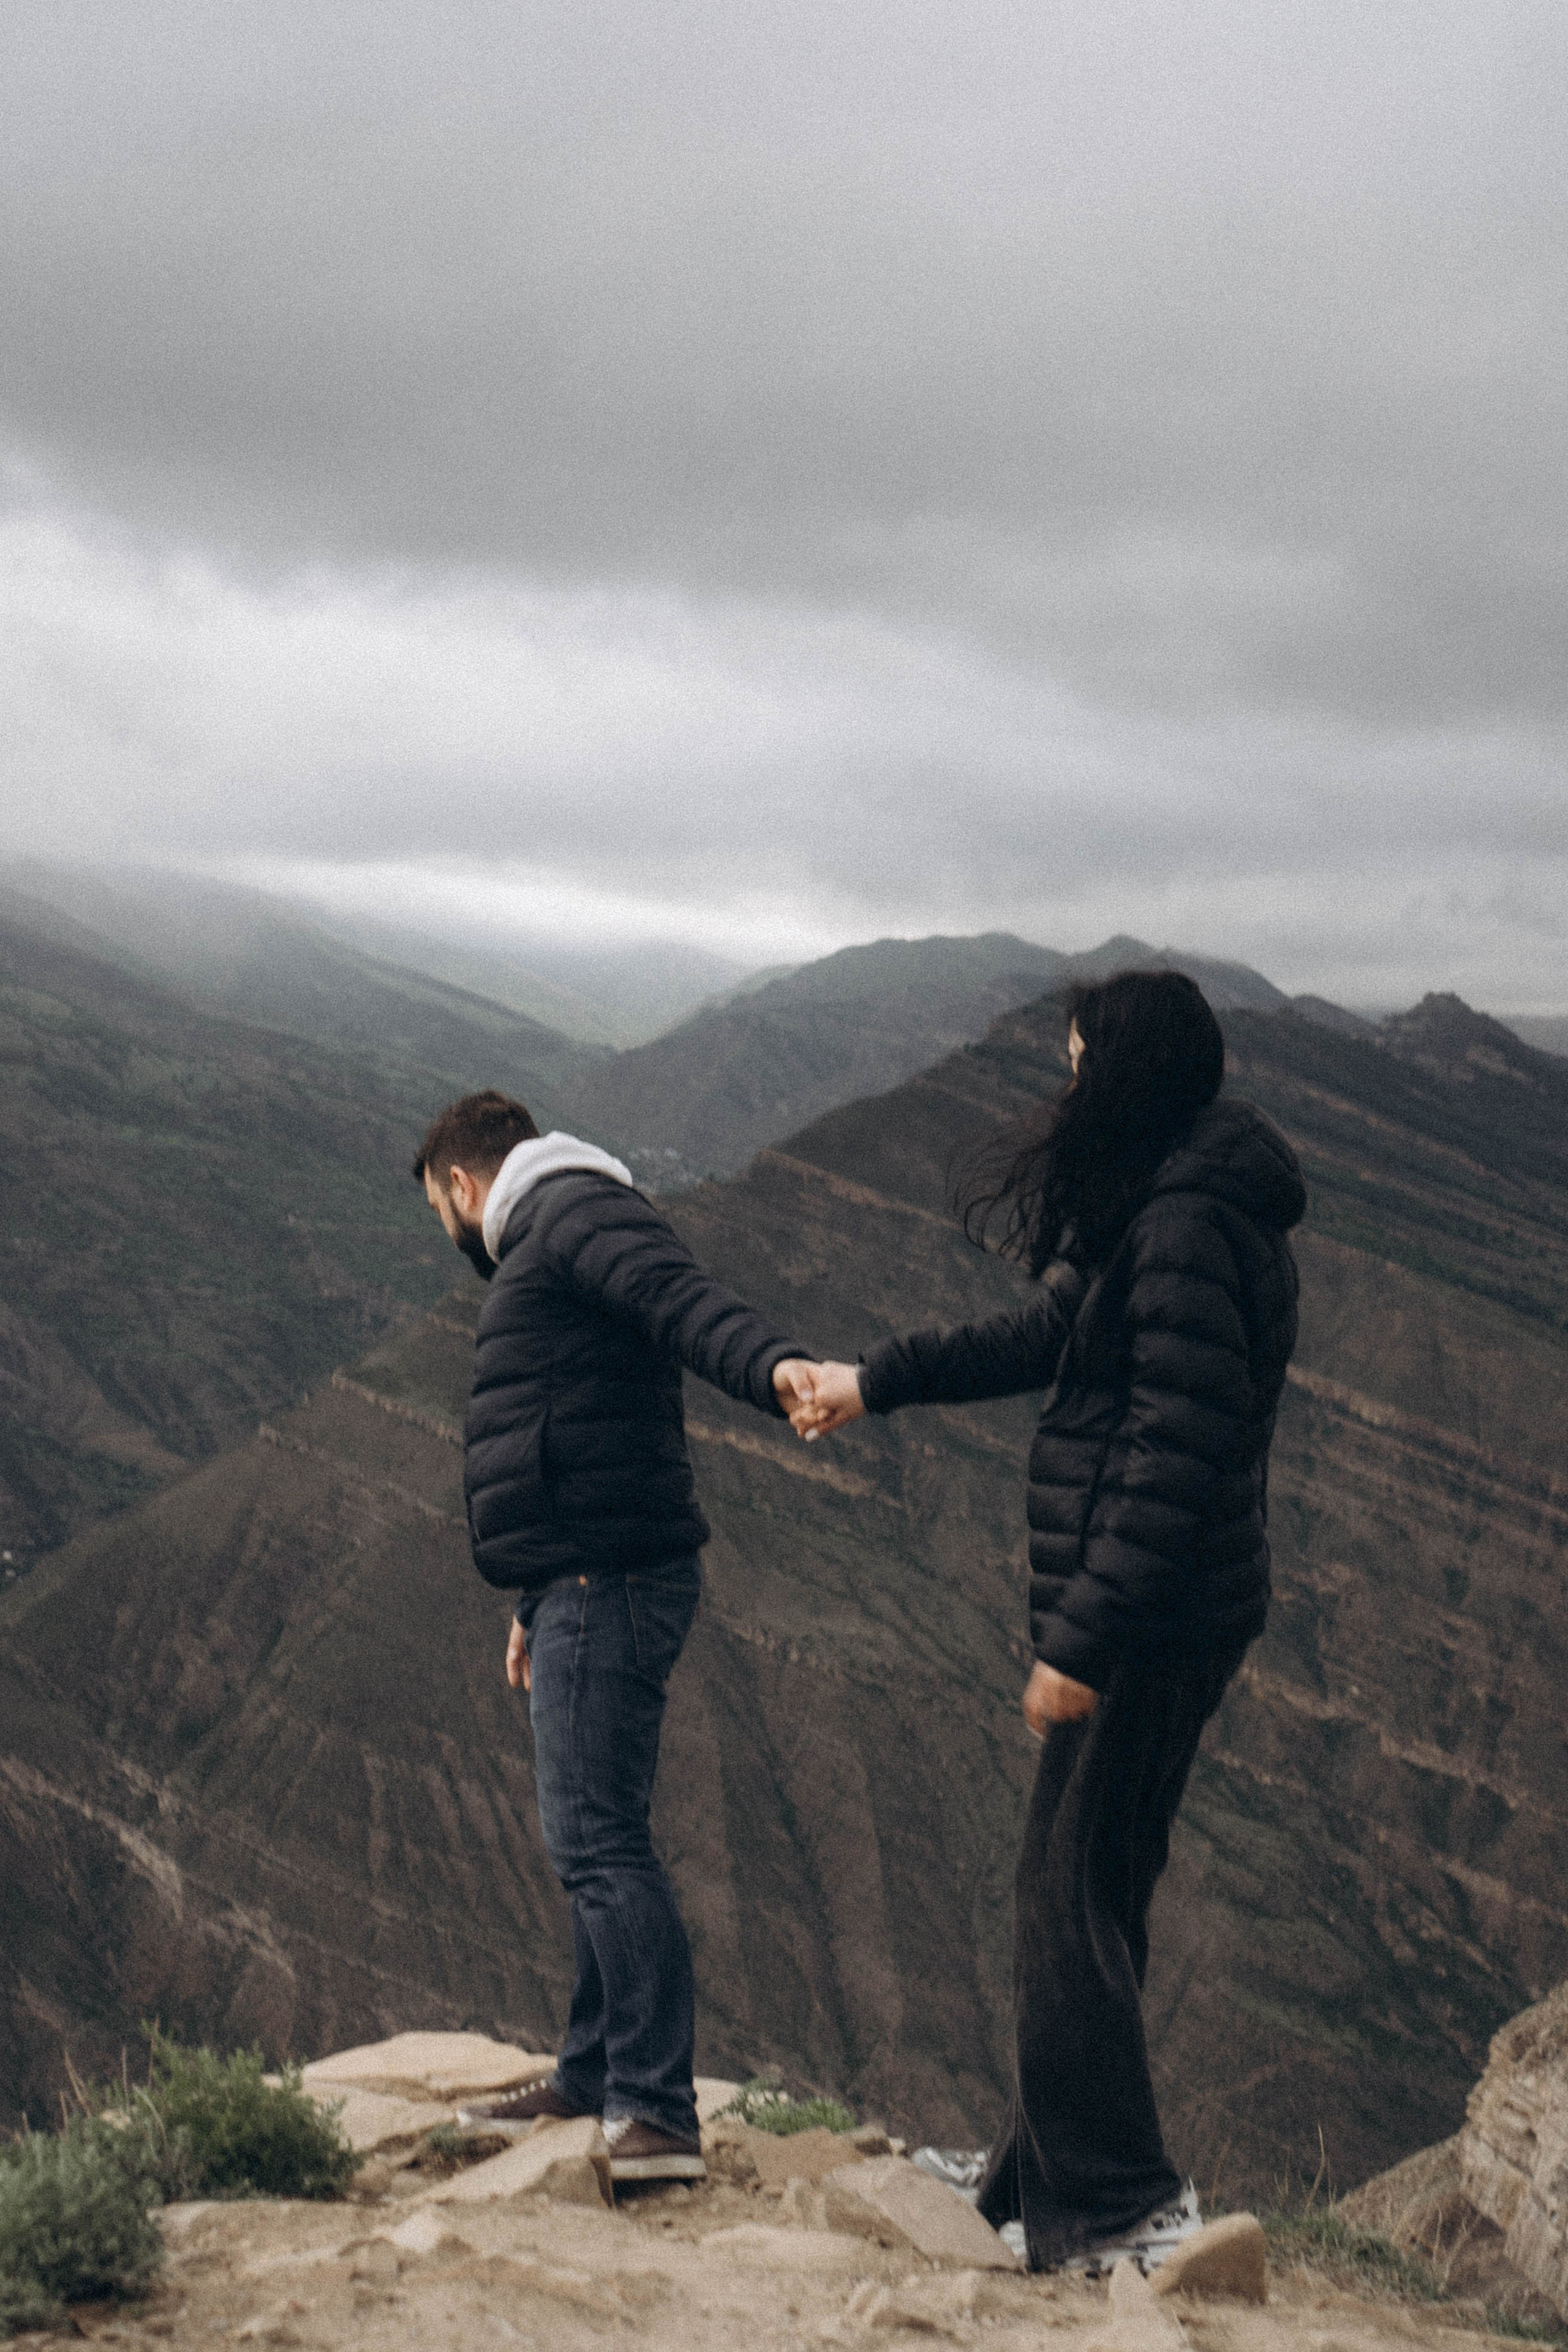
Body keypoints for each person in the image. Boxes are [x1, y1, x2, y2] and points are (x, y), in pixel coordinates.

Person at [784, 971, 1305, 2272]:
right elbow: (1043, 1336)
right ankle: (1037, 2174)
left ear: (1119, 1074)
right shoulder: (1162, 1203)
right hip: (1171, 1608)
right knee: (1094, 1886)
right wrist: (873, 1382)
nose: (1064, 1090)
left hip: (1152, 1617)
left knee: (1060, 1887)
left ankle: (1119, 2203)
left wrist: (1081, 1635)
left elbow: (1171, 1450)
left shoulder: (1184, 1223)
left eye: (1077, 1064)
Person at [413, 1090, 818, 2186]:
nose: (452, 1239)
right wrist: (534, 1599)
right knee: (591, 1838)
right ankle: (591, 2075)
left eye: (440, 1214)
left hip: (611, 1580)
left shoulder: (574, 1215)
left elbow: (684, 1304)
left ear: (460, 1187)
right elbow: (579, 1422)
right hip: (580, 1578)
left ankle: (654, 2108)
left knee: (598, 1842)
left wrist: (774, 1368)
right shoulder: (559, 1230)